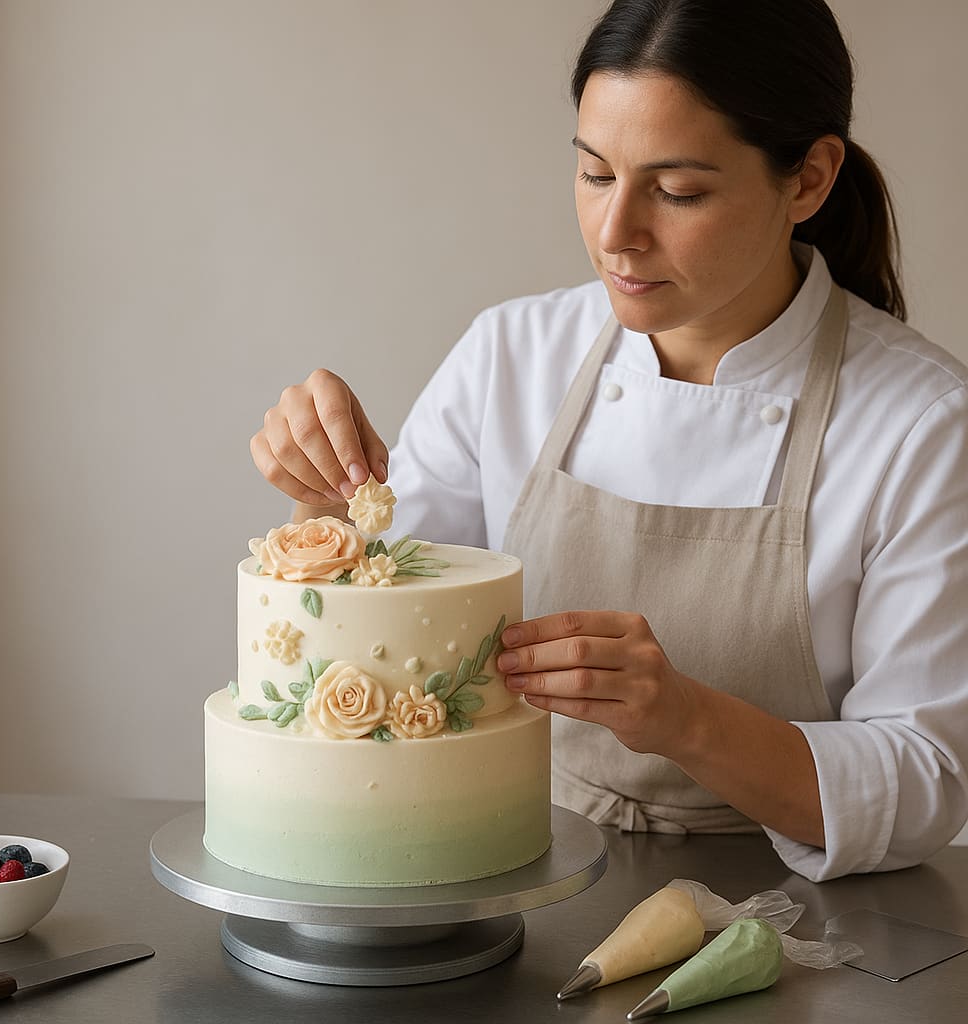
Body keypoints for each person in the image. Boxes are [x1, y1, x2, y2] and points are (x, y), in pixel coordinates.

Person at [250, 0, 968, 882]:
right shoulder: (511, 356)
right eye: (595, 175)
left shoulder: (921, 423)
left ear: (810, 179)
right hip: (513, 872)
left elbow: (927, 781)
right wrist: (321, 507)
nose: (615, 234)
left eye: (678, 191)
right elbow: (387, 631)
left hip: (793, 918)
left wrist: (686, 719)